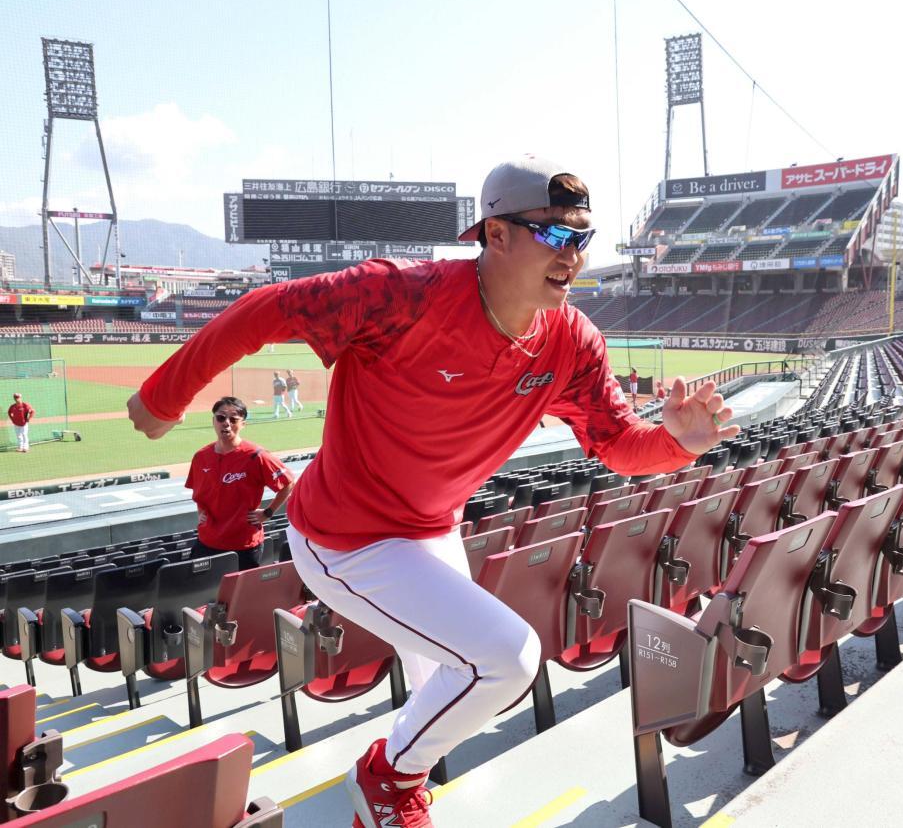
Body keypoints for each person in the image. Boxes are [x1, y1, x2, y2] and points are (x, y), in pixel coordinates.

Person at [128, 154, 739, 828]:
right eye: (556, 235)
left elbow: (619, 443)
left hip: (430, 531)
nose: (574, 256)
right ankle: (384, 782)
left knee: (452, 693)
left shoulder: (572, 341)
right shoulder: (401, 295)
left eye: (583, 237)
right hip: (344, 539)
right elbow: (263, 309)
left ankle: (390, 791)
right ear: (495, 234)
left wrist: (679, 440)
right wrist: (164, 396)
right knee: (508, 660)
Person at [185, 396, 294, 570]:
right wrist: (201, 512)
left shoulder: (256, 455)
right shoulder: (201, 457)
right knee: (201, 593)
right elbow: (200, 494)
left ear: (243, 424)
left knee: (242, 595)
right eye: (221, 418)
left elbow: (287, 483)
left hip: (244, 544)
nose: (226, 423)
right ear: (213, 421)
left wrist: (268, 512)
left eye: (233, 419)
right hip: (208, 541)